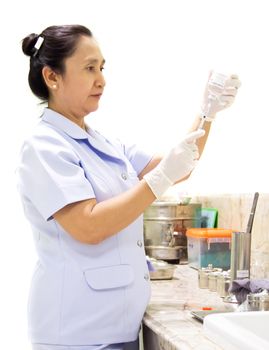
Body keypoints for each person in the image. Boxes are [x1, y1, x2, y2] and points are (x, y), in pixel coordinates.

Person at [17, 24, 240, 350]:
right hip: (76, 333)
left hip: (115, 328)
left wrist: (208, 113)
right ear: (53, 77)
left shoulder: (102, 142)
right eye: (89, 68)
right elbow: (87, 226)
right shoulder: (44, 147)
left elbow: (178, 167)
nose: (101, 80)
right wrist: (159, 179)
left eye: (102, 68)